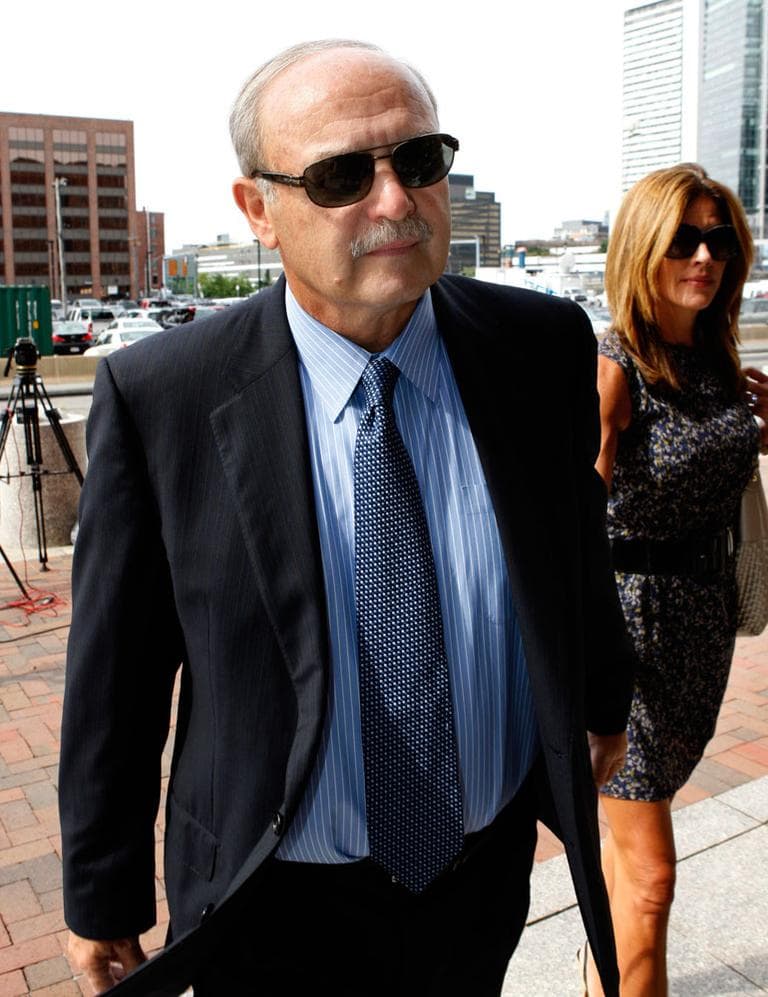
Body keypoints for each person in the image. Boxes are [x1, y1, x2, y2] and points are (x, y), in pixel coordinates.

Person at [59, 39, 635, 997]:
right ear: (259, 210)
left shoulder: (538, 345)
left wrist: (602, 693)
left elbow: (576, 541)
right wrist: (100, 890)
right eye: (340, 176)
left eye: (418, 161)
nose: (396, 201)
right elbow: (115, 675)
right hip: (269, 905)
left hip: (480, 874)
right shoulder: (164, 394)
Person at [584, 163, 765, 996]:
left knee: (627, 874)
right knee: (652, 877)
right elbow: (568, 524)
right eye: (684, 238)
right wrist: (582, 677)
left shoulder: (719, 360)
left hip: (697, 629)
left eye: (719, 239)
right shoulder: (615, 367)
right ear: (641, 246)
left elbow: (711, 466)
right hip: (626, 640)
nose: (705, 256)